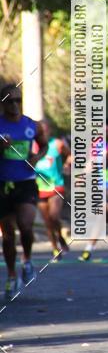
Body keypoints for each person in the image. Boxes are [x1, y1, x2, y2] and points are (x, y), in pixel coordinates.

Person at [0, 84, 48, 300]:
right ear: (3, 103)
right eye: (10, 101)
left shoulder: (32, 125)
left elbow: (44, 145)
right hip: (2, 184)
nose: (15, 105)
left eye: (18, 100)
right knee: (8, 234)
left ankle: (27, 260)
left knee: (26, 226)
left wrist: (36, 158)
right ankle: (11, 275)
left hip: (26, 182)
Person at [79, 118, 108, 262]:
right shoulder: (97, 144)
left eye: (107, 128)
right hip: (100, 184)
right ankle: (89, 248)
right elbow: (91, 162)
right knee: (102, 214)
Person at [34, 120, 71, 260]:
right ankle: (55, 248)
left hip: (56, 185)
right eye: (40, 131)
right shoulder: (32, 146)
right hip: (39, 187)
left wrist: (68, 164)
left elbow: (70, 155)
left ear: (49, 130)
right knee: (47, 220)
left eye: (45, 130)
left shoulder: (57, 144)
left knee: (54, 216)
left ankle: (60, 237)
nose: (42, 133)